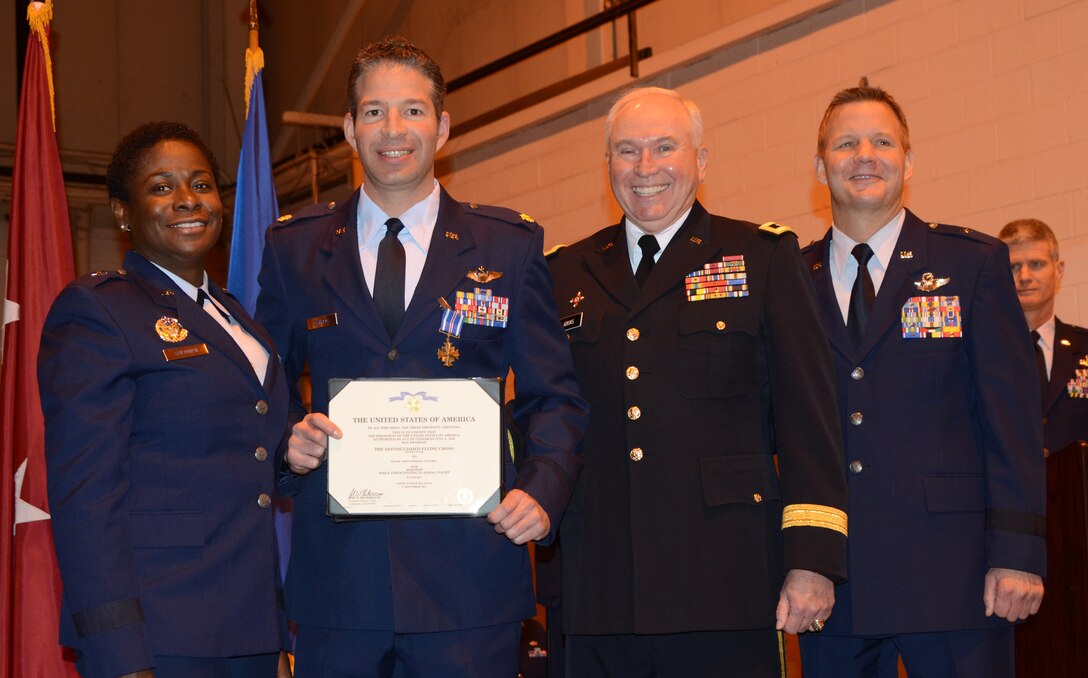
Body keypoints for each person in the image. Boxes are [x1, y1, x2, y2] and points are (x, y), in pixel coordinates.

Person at [254, 36, 587, 678]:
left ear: (443, 126)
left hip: (470, 579)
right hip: (339, 586)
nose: (393, 130)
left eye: (412, 110)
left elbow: (555, 396)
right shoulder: (294, 251)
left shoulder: (509, 248)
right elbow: (259, 392)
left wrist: (544, 491)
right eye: (374, 112)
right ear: (350, 129)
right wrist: (285, 447)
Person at [546, 86, 848, 677]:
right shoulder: (562, 272)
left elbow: (809, 420)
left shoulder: (760, 256)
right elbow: (545, 413)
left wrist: (813, 558)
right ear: (608, 166)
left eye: (665, 147)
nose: (646, 167)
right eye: (627, 151)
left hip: (724, 580)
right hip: (600, 585)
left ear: (701, 161)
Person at [798, 84, 1046, 678]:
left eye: (883, 142)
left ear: (908, 161)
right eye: (846, 143)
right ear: (820, 166)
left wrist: (1018, 552)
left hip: (955, 576)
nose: (865, 155)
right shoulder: (790, 277)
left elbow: (1010, 419)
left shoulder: (971, 264)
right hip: (833, 581)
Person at [38, 122, 291, 678]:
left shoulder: (238, 321)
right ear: (123, 213)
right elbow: (87, 499)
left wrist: (300, 454)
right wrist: (119, 652)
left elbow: (257, 467)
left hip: (248, 626)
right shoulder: (100, 311)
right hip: (160, 632)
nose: (187, 200)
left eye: (201, 184)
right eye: (161, 186)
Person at [998, 218, 1088, 454]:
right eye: (1013, 267)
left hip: (1078, 487)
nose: (1024, 276)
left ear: (1058, 270)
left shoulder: (1085, 346)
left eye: (1036, 264)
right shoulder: (978, 350)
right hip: (1009, 490)